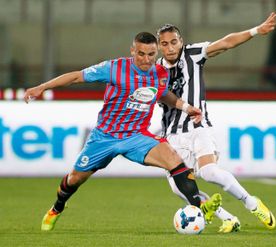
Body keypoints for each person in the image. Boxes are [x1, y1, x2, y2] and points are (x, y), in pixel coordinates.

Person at [24, 32, 221, 231]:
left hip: (137, 136)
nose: (146, 60)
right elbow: (76, 76)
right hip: (104, 137)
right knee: (74, 179)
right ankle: (57, 208)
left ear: (156, 52)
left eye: (151, 54)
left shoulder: (160, 73)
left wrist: (187, 108)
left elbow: (164, 95)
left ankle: (199, 208)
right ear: (132, 51)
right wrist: (42, 87)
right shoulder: (114, 68)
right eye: (141, 54)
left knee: (174, 159)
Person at [155, 12, 276, 233]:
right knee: (179, 188)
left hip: (197, 126)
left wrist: (255, 31)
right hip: (172, 136)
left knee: (209, 172)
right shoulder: (155, 70)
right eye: (165, 44)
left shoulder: (192, 54)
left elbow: (226, 43)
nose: (170, 47)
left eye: (174, 42)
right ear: (159, 47)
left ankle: (251, 203)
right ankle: (228, 218)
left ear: (181, 42)